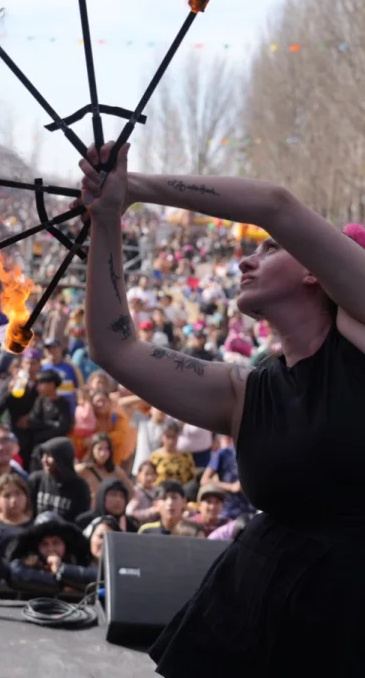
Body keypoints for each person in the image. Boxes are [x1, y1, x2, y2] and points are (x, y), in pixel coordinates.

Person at [79, 140, 365, 675]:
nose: (244, 260)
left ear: (318, 271)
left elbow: (274, 204)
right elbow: (115, 347)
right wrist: (107, 218)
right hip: (246, 607)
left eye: (270, 250)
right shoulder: (248, 392)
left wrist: (135, 185)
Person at [7, 511, 94, 593]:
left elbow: (95, 578)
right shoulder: (26, 567)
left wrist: (62, 570)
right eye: (44, 544)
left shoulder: (79, 563)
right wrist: (56, 579)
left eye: (56, 542)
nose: (51, 548)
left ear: (66, 544)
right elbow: (15, 571)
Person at [28, 437, 91, 521]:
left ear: (63, 459)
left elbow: (80, 523)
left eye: (49, 456)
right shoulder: (36, 480)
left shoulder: (80, 487)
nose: (44, 460)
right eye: (43, 455)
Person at [201, 434, 254, 520]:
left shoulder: (256, 454)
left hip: (251, 511)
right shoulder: (223, 453)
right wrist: (231, 487)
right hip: (228, 511)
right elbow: (204, 480)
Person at [76, 433, 134, 508]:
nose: (103, 453)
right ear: (92, 450)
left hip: (106, 514)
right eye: (99, 449)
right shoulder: (83, 469)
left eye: (106, 449)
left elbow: (131, 491)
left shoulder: (115, 471)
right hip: (88, 512)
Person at [27, 370, 72, 454]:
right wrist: (52, 424)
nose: (38, 387)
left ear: (51, 385)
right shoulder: (40, 400)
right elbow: (32, 421)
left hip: (56, 448)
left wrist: (42, 428)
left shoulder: (63, 404)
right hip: (38, 446)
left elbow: (63, 427)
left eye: (41, 384)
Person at [149, 421, 196, 486]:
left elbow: (192, 478)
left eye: (174, 437)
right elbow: (150, 478)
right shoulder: (155, 457)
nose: (171, 441)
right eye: (168, 437)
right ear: (162, 437)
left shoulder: (186, 456)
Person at [41, 339, 81, 415]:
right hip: (47, 410)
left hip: (68, 410)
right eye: (48, 348)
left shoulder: (72, 367)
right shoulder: (42, 366)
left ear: (60, 348)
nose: (51, 351)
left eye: (54, 348)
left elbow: (80, 388)